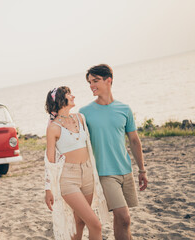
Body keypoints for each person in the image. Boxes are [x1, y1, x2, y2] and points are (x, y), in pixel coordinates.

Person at [79, 64, 148, 240]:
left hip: (126, 171)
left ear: (108, 80)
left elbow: (134, 141)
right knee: (124, 217)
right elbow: (78, 144)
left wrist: (142, 170)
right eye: (89, 82)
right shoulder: (84, 113)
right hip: (104, 173)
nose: (91, 85)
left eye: (95, 81)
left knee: (122, 220)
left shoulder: (124, 109)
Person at [44, 86, 110, 240]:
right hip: (68, 178)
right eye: (69, 94)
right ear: (60, 100)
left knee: (79, 221)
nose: (73, 96)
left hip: (87, 173)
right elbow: (50, 161)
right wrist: (48, 190)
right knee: (95, 225)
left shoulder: (80, 118)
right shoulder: (53, 128)